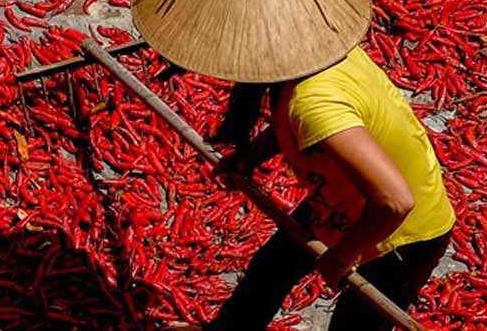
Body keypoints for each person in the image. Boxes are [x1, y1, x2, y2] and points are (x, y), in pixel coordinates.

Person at [174, 48, 456, 330]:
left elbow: (395, 202)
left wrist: (343, 254)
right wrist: (251, 156)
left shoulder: (316, 103)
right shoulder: (320, 57)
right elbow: (294, 120)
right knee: (269, 272)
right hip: (344, 200)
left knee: (355, 323)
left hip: (401, 234)